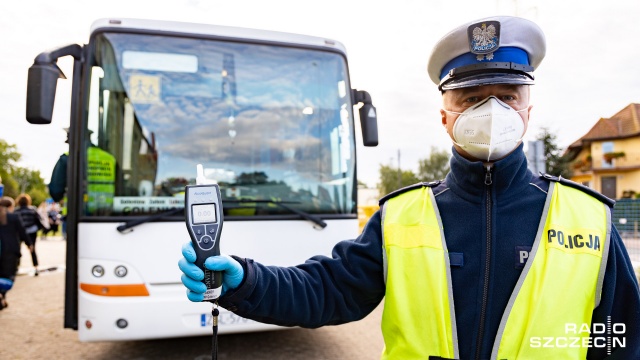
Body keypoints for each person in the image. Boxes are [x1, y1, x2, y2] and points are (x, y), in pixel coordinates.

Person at [179, 16, 640, 359]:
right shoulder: (402, 217)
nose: (493, 109)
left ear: (527, 110)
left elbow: (620, 338)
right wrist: (247, 280)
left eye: (508, 96)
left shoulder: (588, 218)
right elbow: (328, 291)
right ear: (446, 117)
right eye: (473, 99)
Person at [0, 196, 31, 309]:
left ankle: (1, 298)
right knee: (8, 276)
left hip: (1, 250)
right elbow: (22, 232)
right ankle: (2, 295)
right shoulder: (13, 217)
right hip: (10, 251)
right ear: (10, 207)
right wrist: (30, 244)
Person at [14, 193, 46, 276]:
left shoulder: (16, 211)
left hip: (20, 232)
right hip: (32, 231)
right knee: (32, 250)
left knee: (17, 249)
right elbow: (39, 220)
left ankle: (16, 267)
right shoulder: (32, 210)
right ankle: (36, 267)